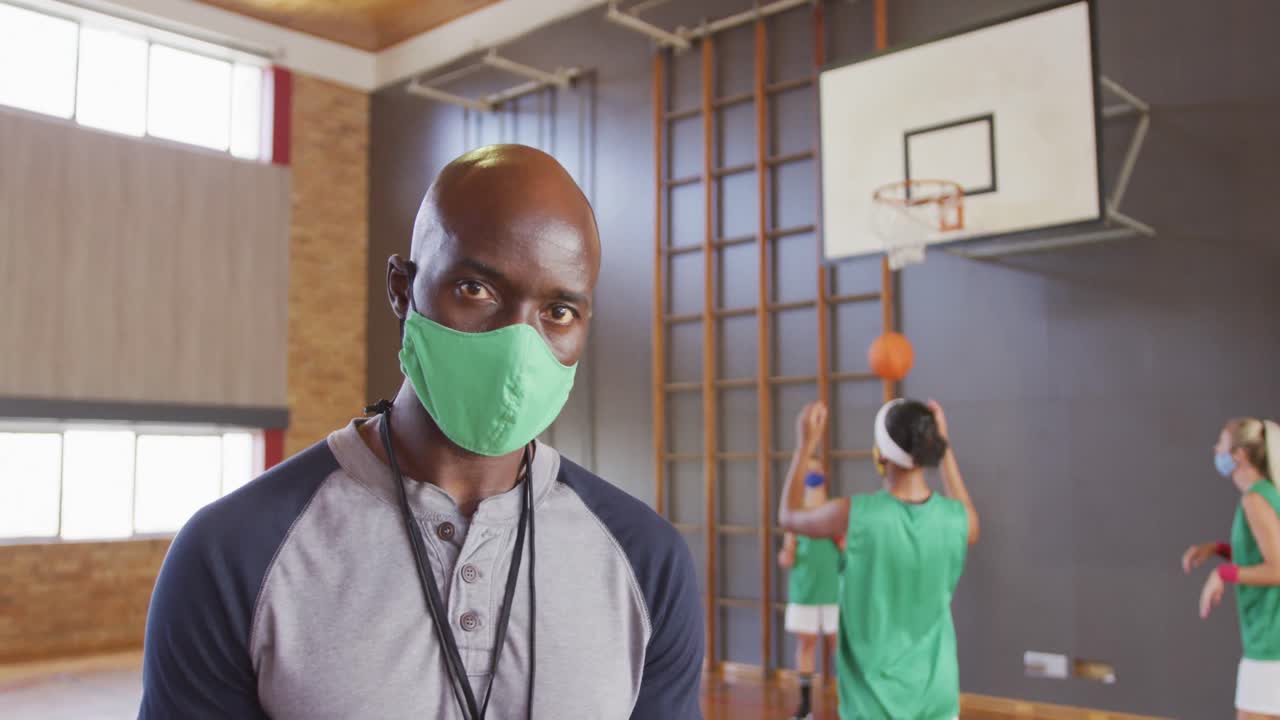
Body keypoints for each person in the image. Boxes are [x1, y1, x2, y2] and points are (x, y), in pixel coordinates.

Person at [138, 145, 704, 720]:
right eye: (477, 290)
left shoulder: (646, 563)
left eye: (558, 311)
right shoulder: (233, 554)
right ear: (402, 290)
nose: (516, 348)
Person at [778, 399, 979, 720]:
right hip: (937, 698)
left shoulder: (853, 515)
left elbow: (788, 516)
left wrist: (805, 445)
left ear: (881, 455)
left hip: (872, 703)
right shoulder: (959, 521)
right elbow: (967, 510)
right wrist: (945, 446)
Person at [1181, 417, 1280, 720]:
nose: (1216, 449)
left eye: (1221, 443)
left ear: (1239, 455)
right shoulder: (1260, 495)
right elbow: (1259, 555)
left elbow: (1277, 568)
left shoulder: (1255, 499)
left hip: (1270, 642)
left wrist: (1222, 574)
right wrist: (1218, 550)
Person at [778, 457, 842, 720]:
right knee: (806, 645)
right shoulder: (795, 514)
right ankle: (805, 706)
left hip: (834, 592)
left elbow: (847, 548)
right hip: (804, 591)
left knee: (840, 647)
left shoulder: (835, 511)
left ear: (824, 475)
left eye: (817, 472)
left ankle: (850, 701)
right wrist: (787, 554)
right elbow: (786, 555)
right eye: (809, 472)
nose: (813, 477)